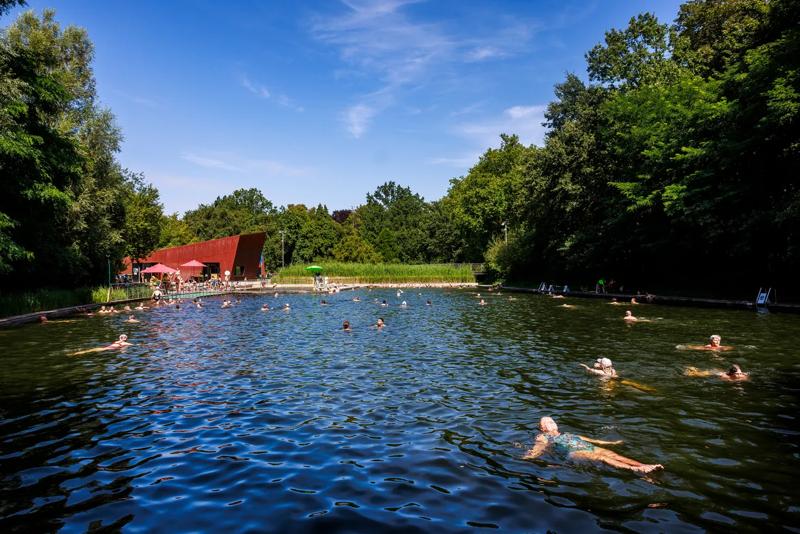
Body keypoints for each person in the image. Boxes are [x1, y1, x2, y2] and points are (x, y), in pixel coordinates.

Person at [524, 417, 663, 473]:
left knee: (613, 454)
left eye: (552, 421)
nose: (550, 423)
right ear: (542, 428)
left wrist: (611, 443)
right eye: (546, 422)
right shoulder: (543, 436)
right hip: (573, 452)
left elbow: (593, 440)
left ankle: (642, 465)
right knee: (602, 458)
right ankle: (637, 470)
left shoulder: (568, 434)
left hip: (586, 447)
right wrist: (529, 456)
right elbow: (539, 448)